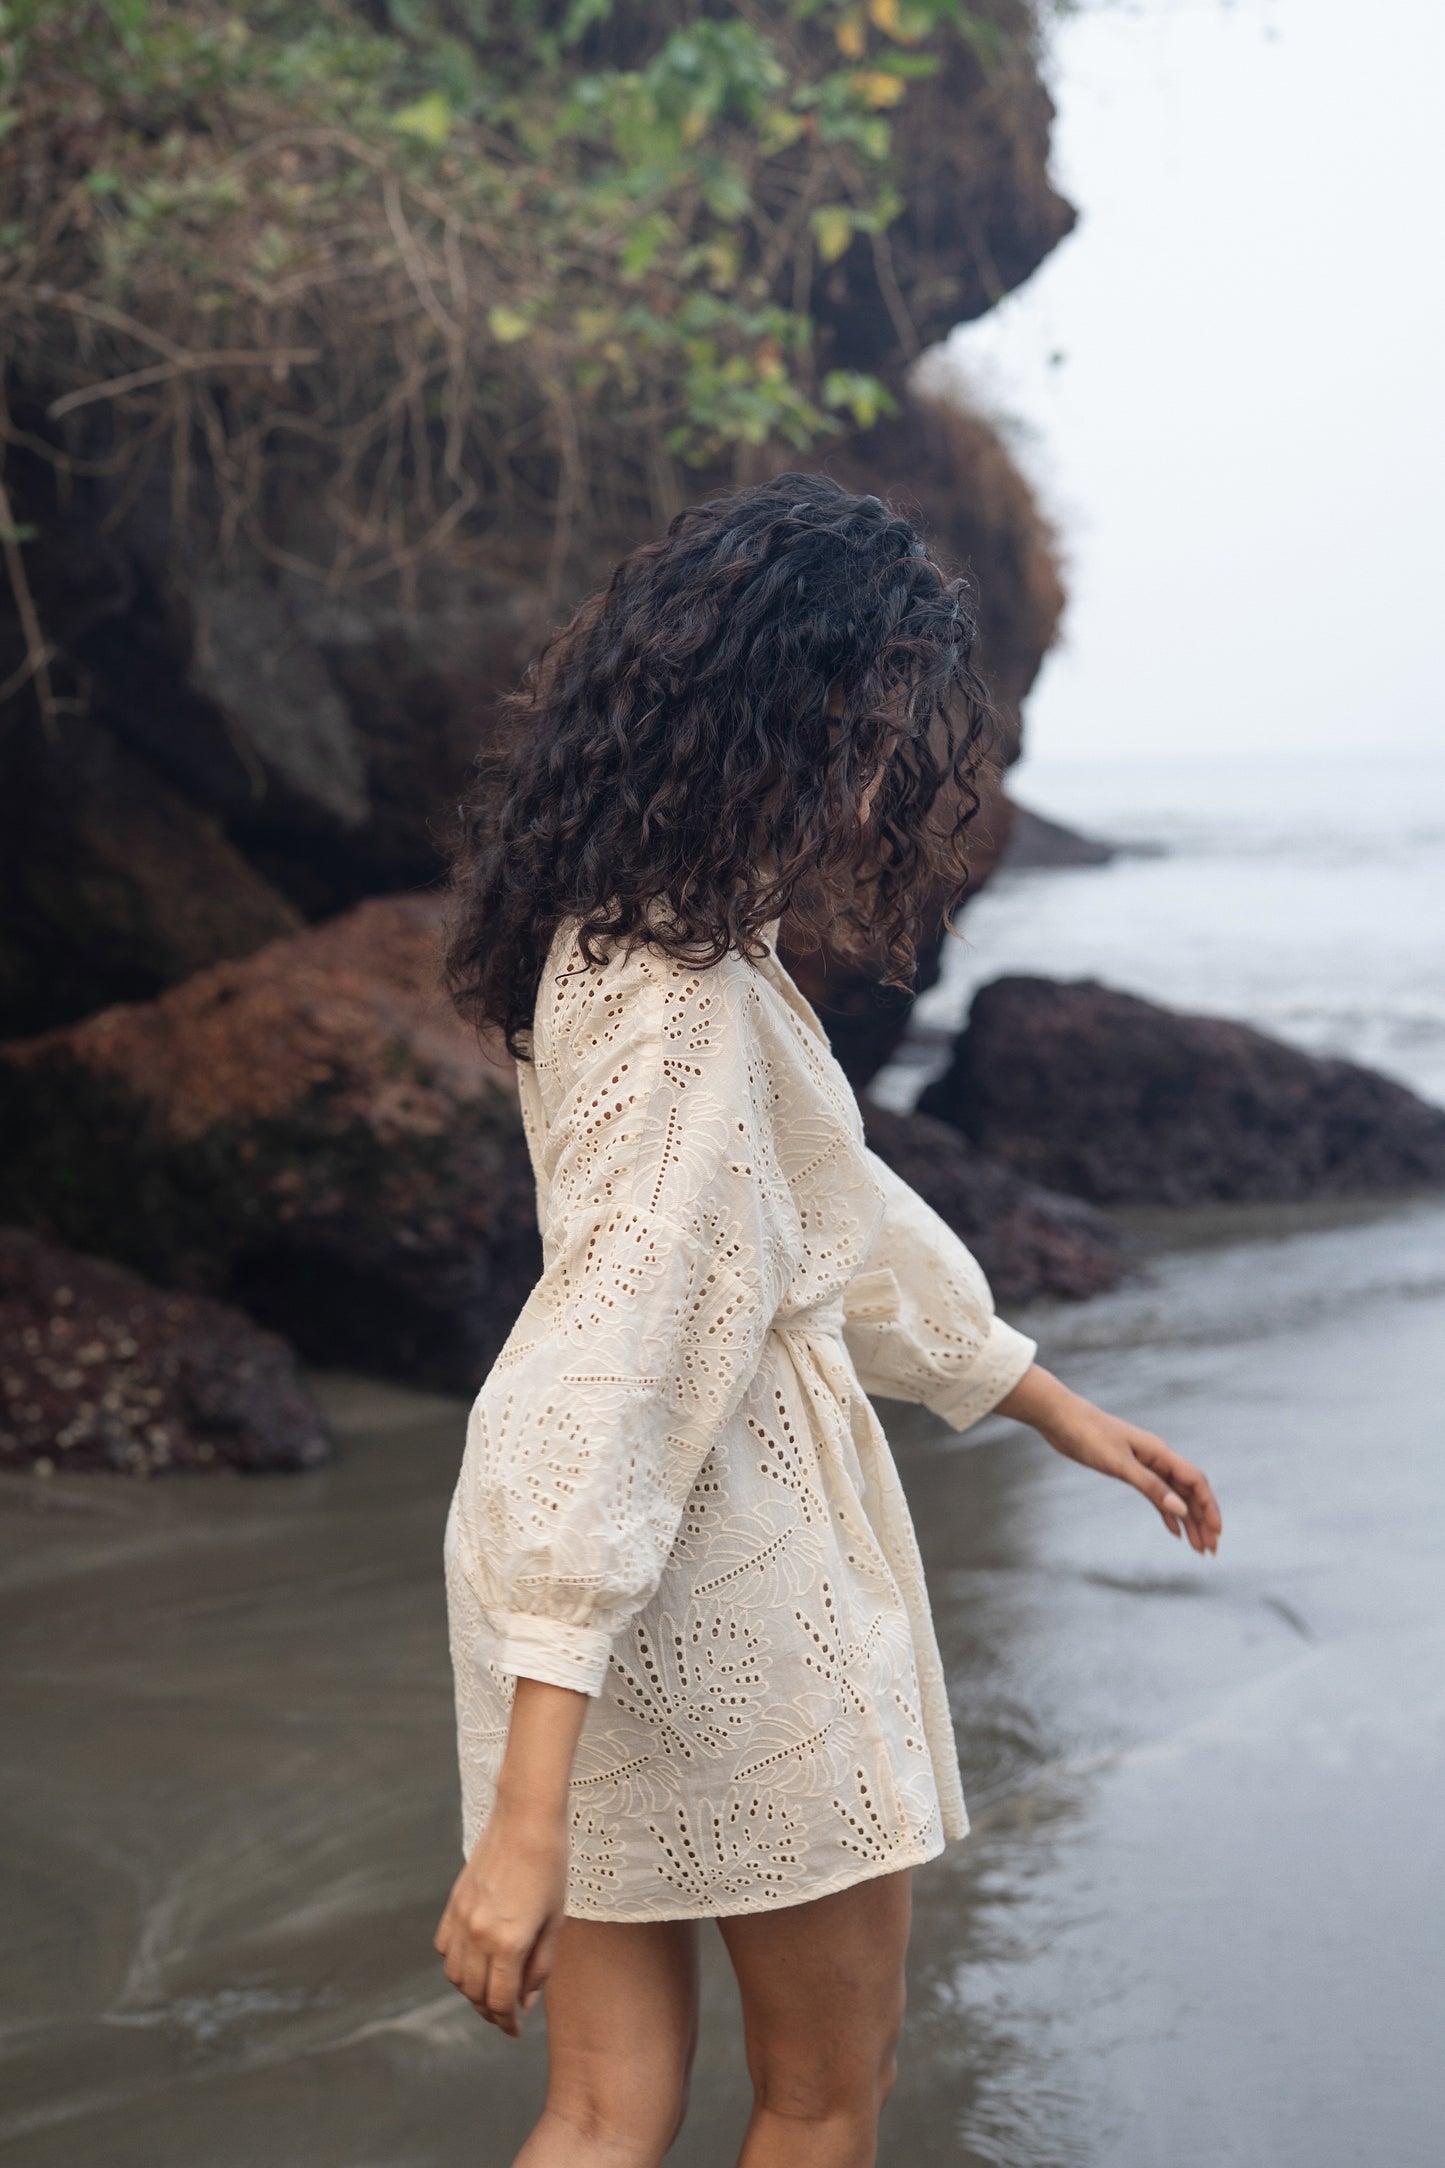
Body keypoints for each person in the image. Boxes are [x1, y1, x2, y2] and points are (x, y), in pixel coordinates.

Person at [436, 471, 1222, 2168]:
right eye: (875, 736)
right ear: (786, 723)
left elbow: (819, 1222)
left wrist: (1045, 1402)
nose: (880, 788)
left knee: (599, 2108)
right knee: (818, 2099)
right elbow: (637, 1341)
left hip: (573, 1547)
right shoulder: (694, 999)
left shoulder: (598, 938)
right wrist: (521, 1818)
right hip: (705, 1541)